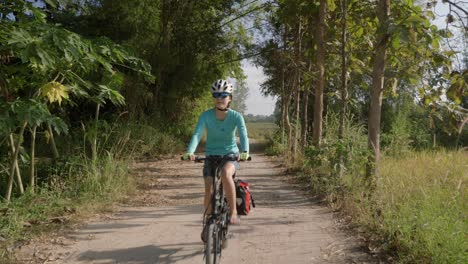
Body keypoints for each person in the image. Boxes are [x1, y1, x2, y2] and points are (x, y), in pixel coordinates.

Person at [182, 79, 250, 227]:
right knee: (208, 188)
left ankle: (233, 213)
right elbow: (197, 134)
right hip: (211, 155)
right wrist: (190, 152)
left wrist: (244, 151)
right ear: (213, 97)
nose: (220, 98)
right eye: (217, 95)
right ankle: (209, 222)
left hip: (230, 155)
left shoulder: (236, 116)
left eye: (224, 95)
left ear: (230, 98)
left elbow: (243, 135)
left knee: (226, 174)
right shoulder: (205, 116)